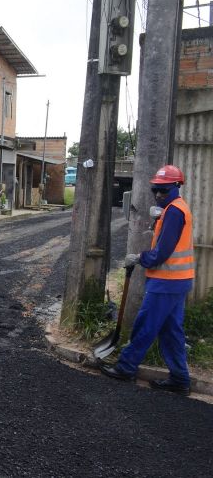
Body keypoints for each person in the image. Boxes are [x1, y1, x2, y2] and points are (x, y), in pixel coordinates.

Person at [100, 165, 194, 396]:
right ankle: (180, 379)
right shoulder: (175, 209)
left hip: (166, 281)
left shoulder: (173, 212)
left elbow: (162, 253)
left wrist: (141, 258)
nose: (159, 195)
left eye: (164, 191)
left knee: (146, 325)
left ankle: (126, 367)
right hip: (178, 281)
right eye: (156, 191)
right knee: (171, 331)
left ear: (176, 187)